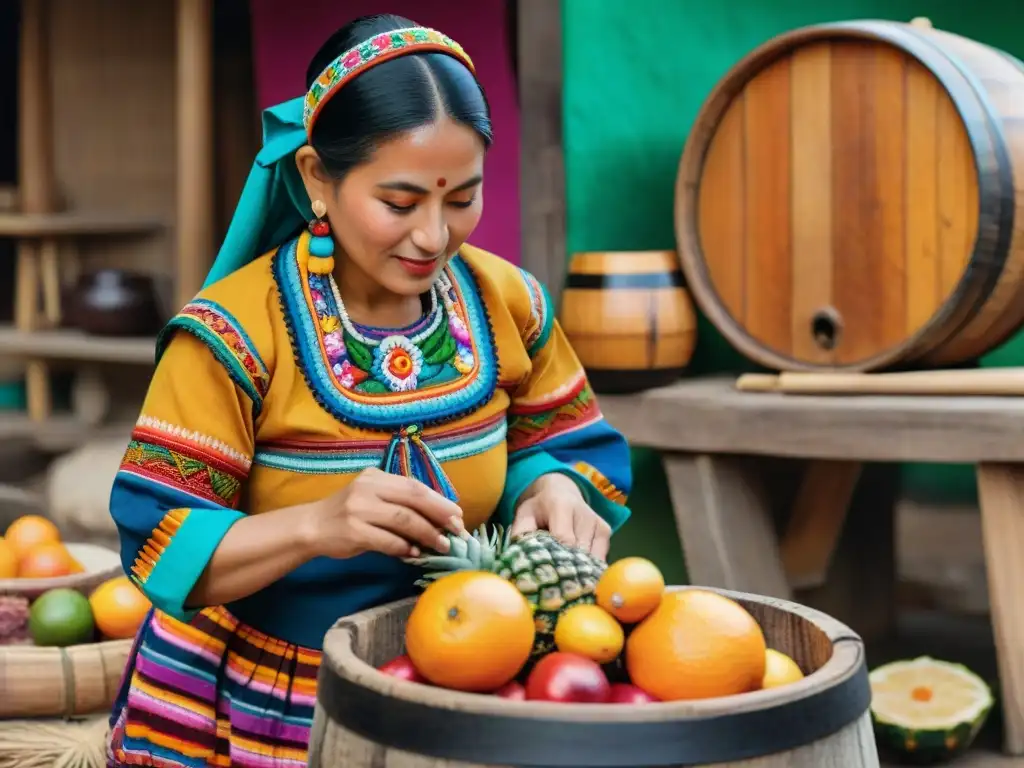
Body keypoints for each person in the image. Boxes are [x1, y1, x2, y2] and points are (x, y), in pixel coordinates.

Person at [105, 13, 632, 767]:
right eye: (400, 201)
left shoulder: (507, 302)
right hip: (276, 700)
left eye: (462, 199)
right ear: (319, 176)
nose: (434, 237)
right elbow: (160, 541)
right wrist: (317, 525)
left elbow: (560, 439)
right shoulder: (232, 337)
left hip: (478, 667)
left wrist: (547, 485)